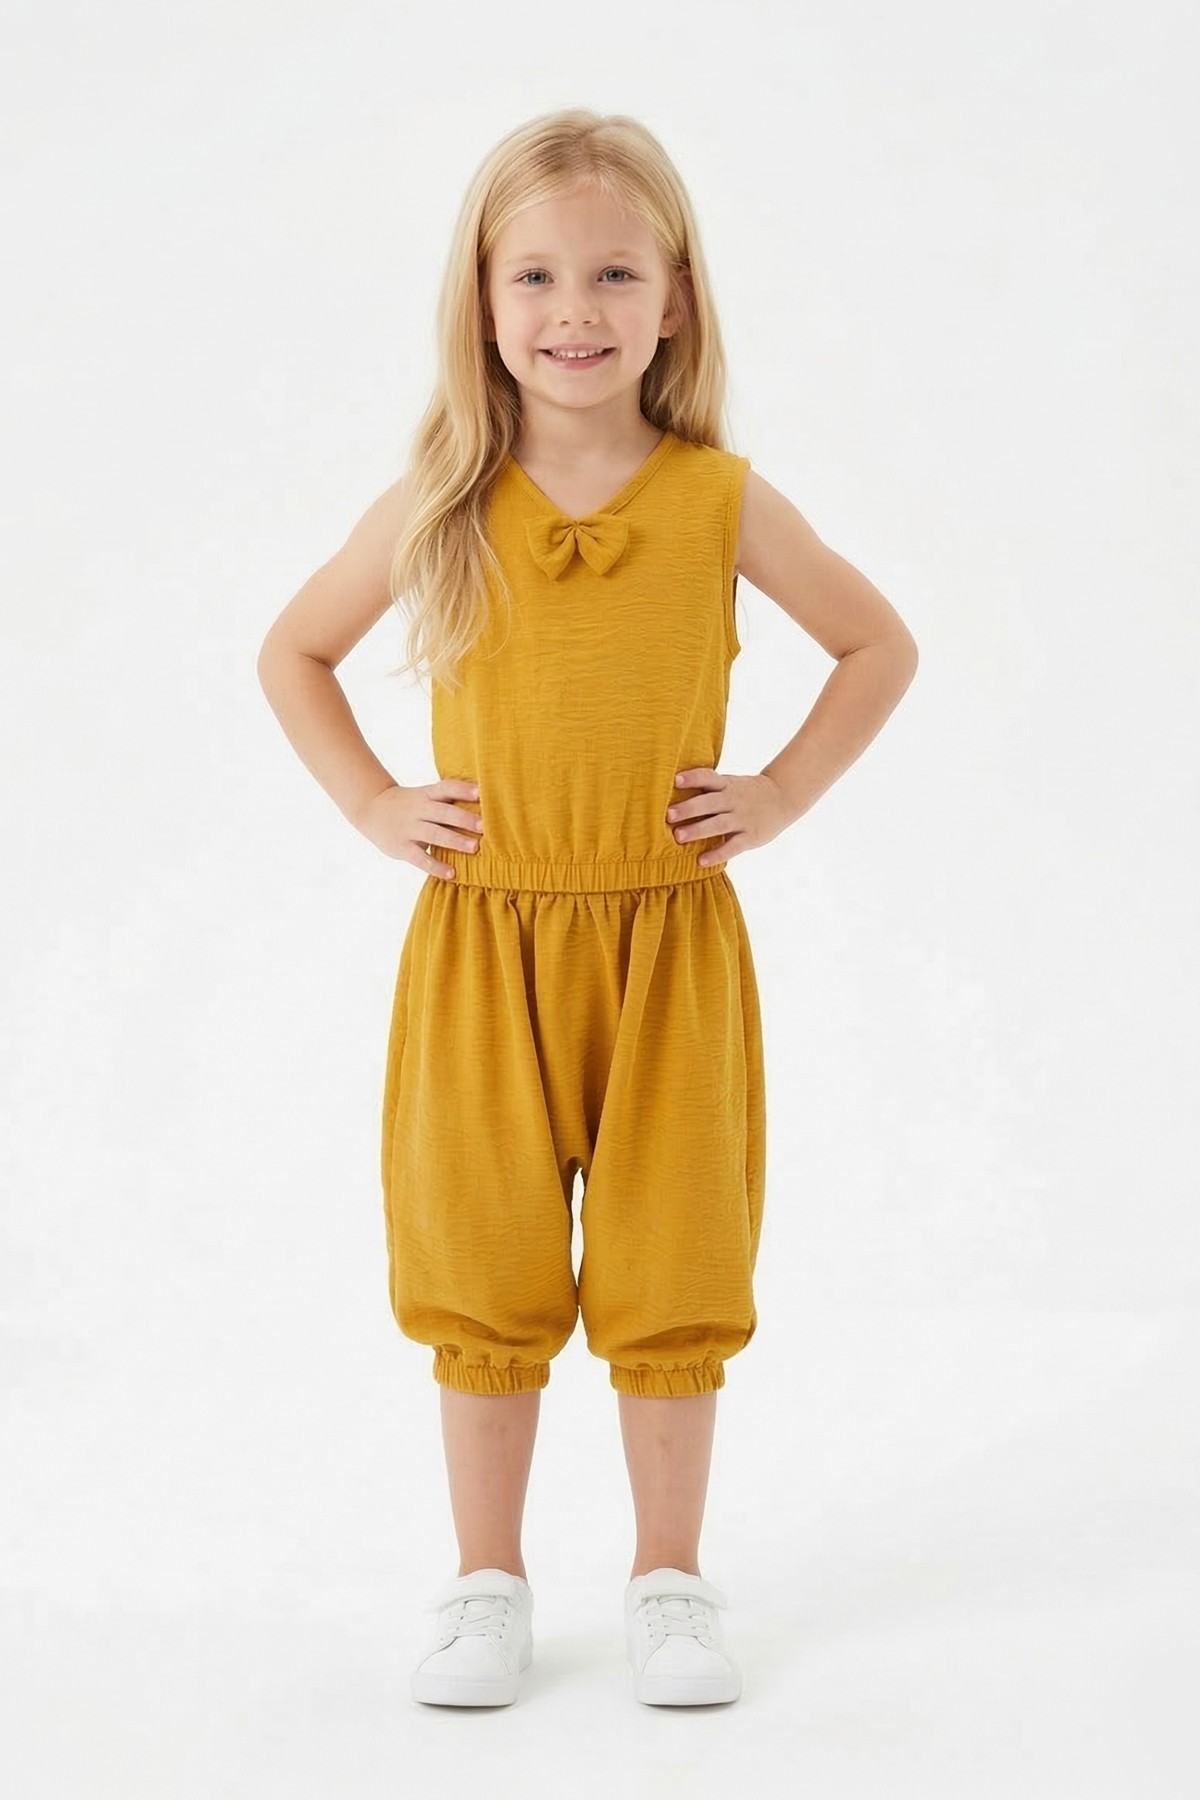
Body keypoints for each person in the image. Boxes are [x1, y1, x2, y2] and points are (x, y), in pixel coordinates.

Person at [257, 107, 918, 1710]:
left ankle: (669, 1583)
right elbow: (294, 652)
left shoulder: (718, 499)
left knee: (672, 1259)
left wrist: (779, 792)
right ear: (483, 301)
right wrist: (373, 803)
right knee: (478, 1263)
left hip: (669, 947)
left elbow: (878, 644)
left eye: (616, 273)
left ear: (676, 297)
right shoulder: (442, 499)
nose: (576, 309)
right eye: (537, 276)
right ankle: (486, 1583)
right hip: (482, 948)